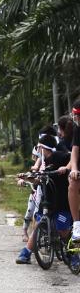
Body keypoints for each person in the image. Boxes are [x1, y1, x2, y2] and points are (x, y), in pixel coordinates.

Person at [16, 134, 72, 265]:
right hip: (47, 200)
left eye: (39, 147)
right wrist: (25, 178)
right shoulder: (42, 162)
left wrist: (66, 168)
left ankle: (71, 253)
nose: (37, 150)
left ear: (42, 147)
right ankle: (26, 252)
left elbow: (73, 158)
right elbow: (37, 180)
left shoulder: (60, 156)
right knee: (38, 225)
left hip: (62, 202)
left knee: (63, 229)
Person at [68, 100, 80, 241]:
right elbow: (75, 151)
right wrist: (74, 168)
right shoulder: (77, 130)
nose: (76, 118)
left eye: (77, 115)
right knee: (73, 182)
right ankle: (77, 224)